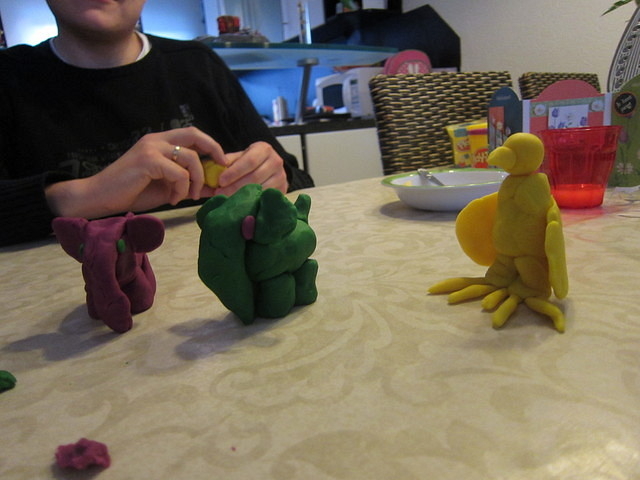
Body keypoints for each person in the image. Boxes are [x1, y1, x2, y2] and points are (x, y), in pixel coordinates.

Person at [0, 0, 314, 247]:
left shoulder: (198, 65)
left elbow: (298, 180)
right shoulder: (9, 79)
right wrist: (84, 195)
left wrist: (276, 176)